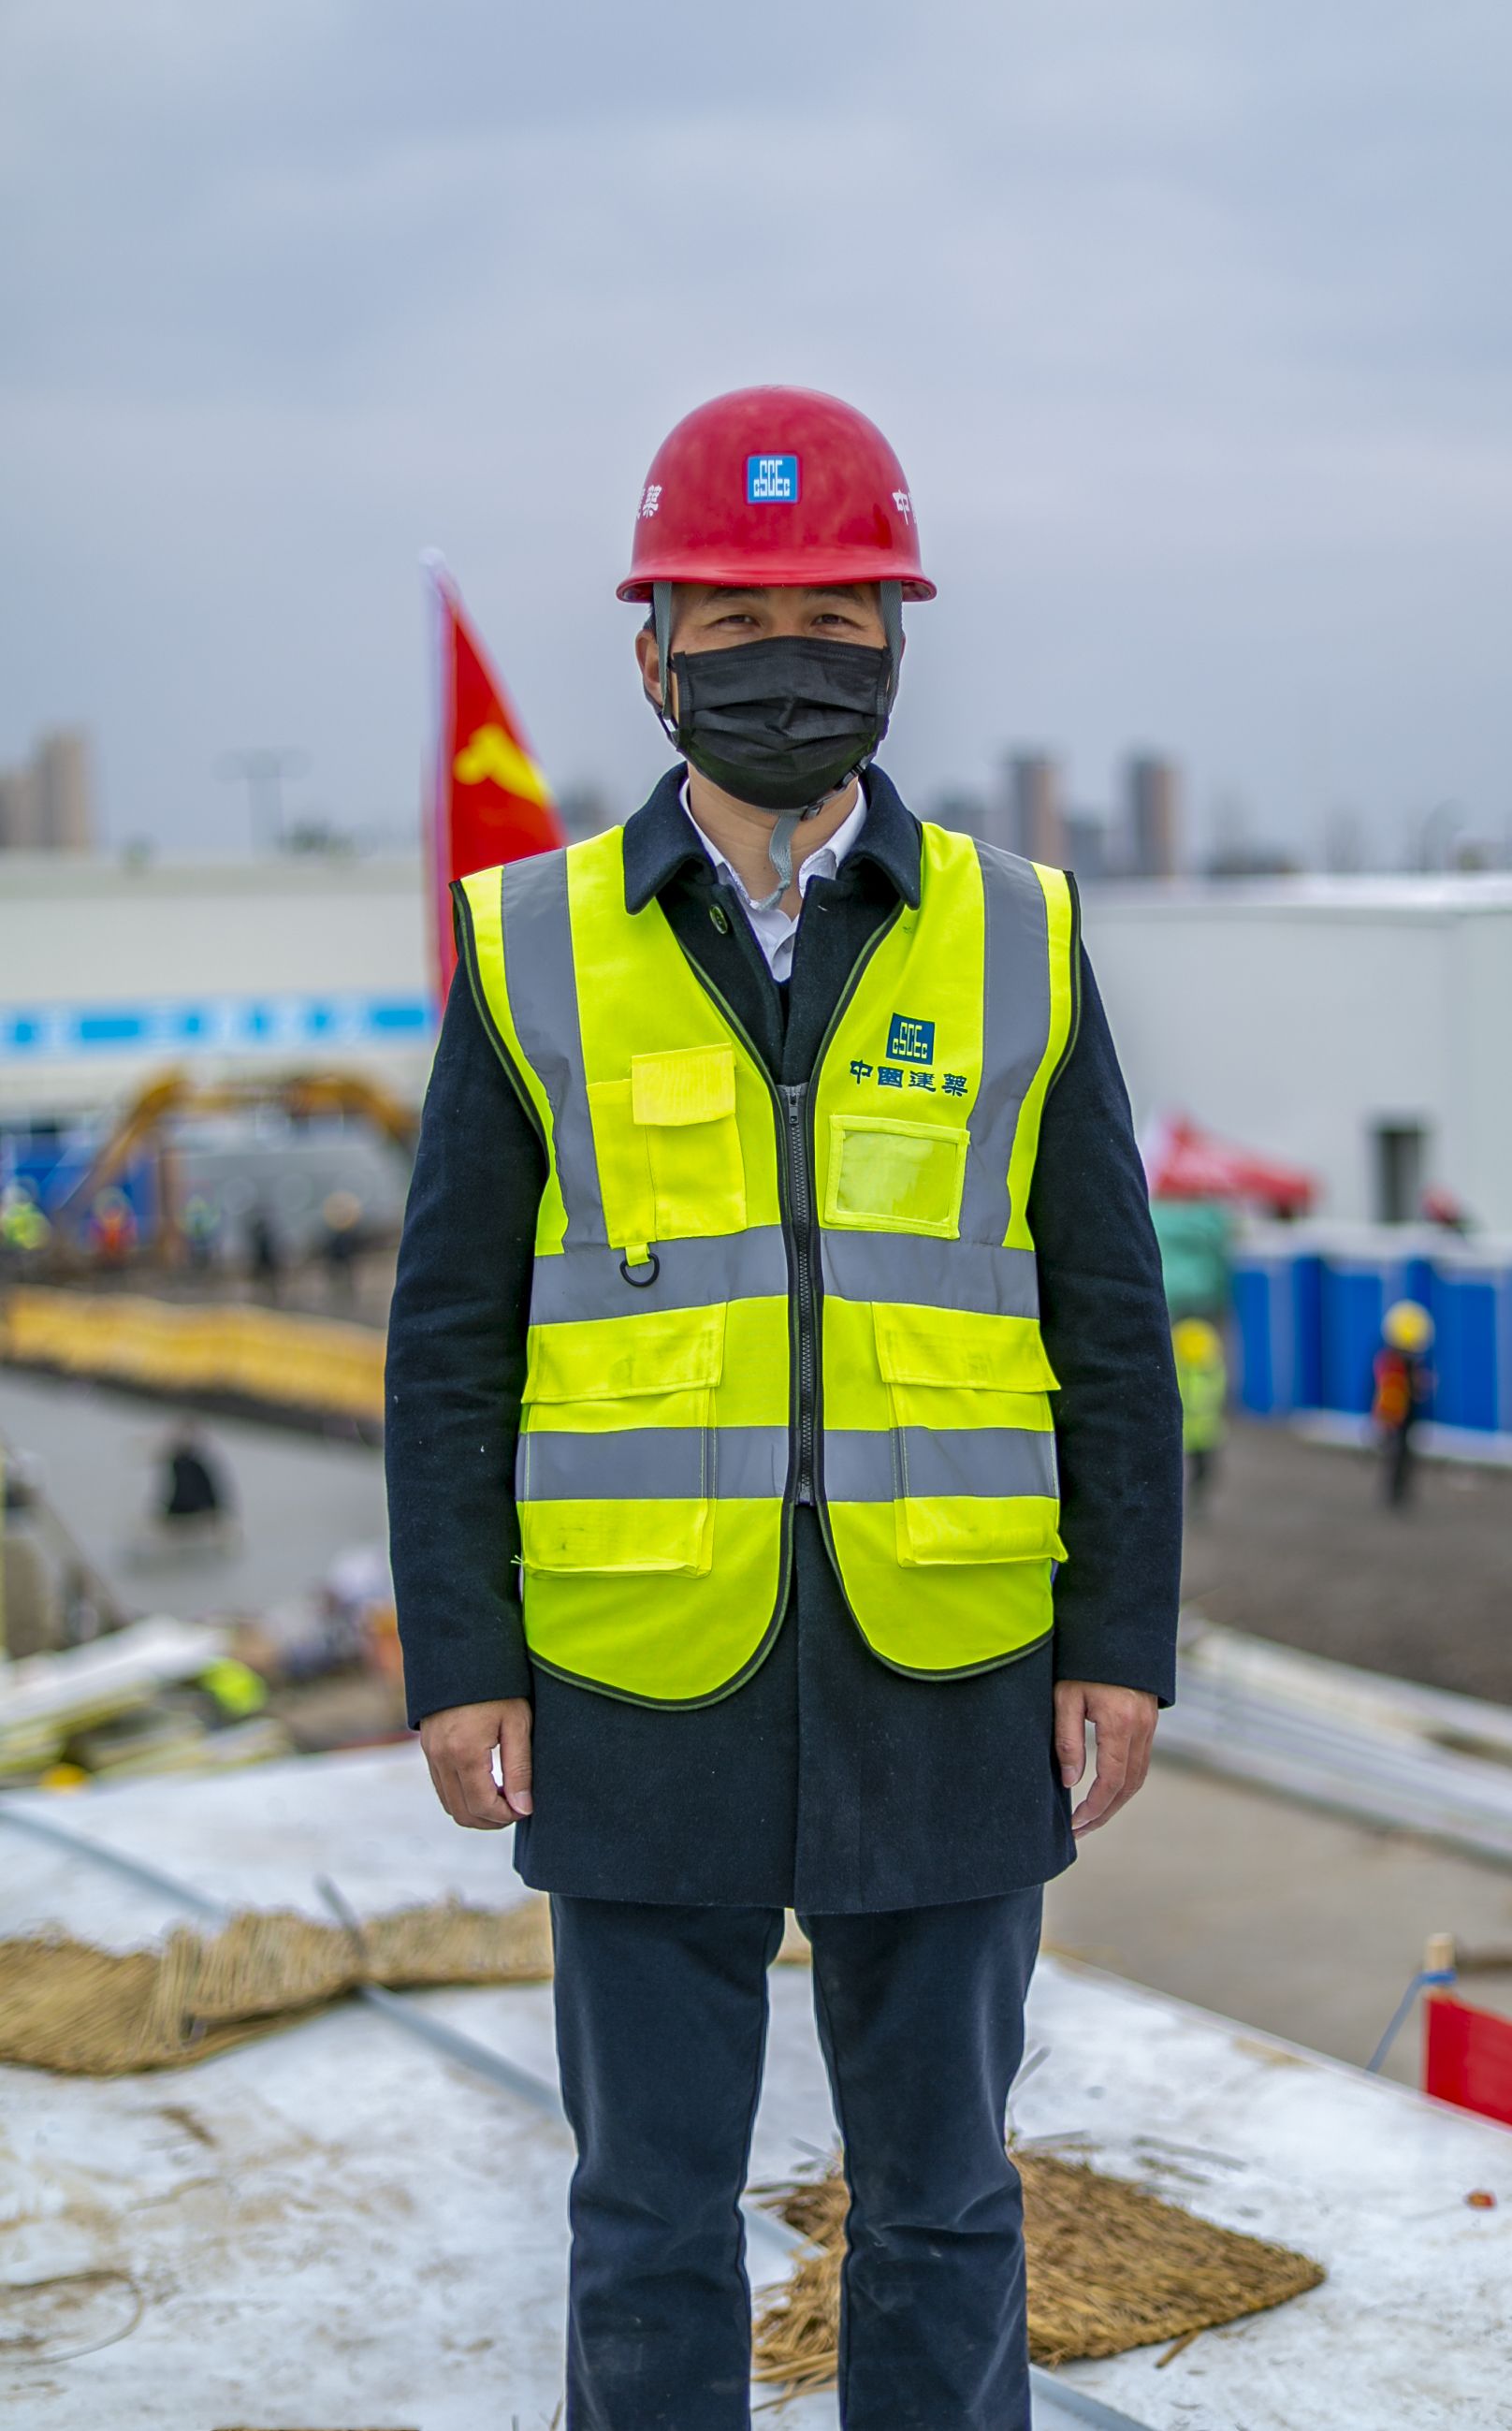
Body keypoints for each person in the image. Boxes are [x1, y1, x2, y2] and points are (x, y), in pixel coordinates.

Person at [385, 386, 1184, 2431]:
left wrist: (1119, 1635)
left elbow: (1108, 1313)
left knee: (945, 2204)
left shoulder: (1021, 935)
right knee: (648, 2215)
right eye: (734, 624)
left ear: (897, 642)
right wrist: (462, 1657)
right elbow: (452, 1334)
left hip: (952, 1661)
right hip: (636, 1672)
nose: (786, 661)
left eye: (833, 618)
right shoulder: (531, 945)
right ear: (652, 653)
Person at [1372, 1299, 1433, 1508]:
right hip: (1394, 1416)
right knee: (1397, 1454)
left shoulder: (1402, 1362)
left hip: (1405, 1415)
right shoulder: (1391, 1363)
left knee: (1403, 1454)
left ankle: (1400, 1491)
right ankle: (1395, 1492)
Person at [1171, 1316, 1228, 1517]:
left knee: (1196, 1473)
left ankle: (1193, 1505)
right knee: (1199, 1473)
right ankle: (1194, 1505)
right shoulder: (1208, 1351)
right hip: (1201, 1431)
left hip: (1194, 1431)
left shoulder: (1183, 1342)